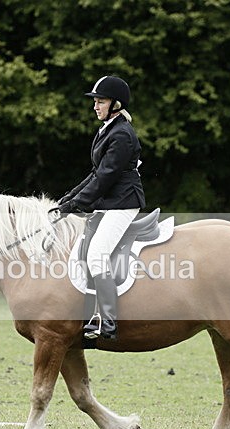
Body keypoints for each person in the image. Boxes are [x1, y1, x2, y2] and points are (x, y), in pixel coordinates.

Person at [56, 75, 145, 341]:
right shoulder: (108, 129)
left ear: (116, 104)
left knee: (96, 254)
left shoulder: (122, 135)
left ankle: (108, 320)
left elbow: (106, 177)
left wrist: (77, 204)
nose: (95, 106)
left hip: (123, 203)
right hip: (111, 203)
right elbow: (95, 173)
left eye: (100, 101)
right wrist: (68, 199)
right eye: (95, 101)